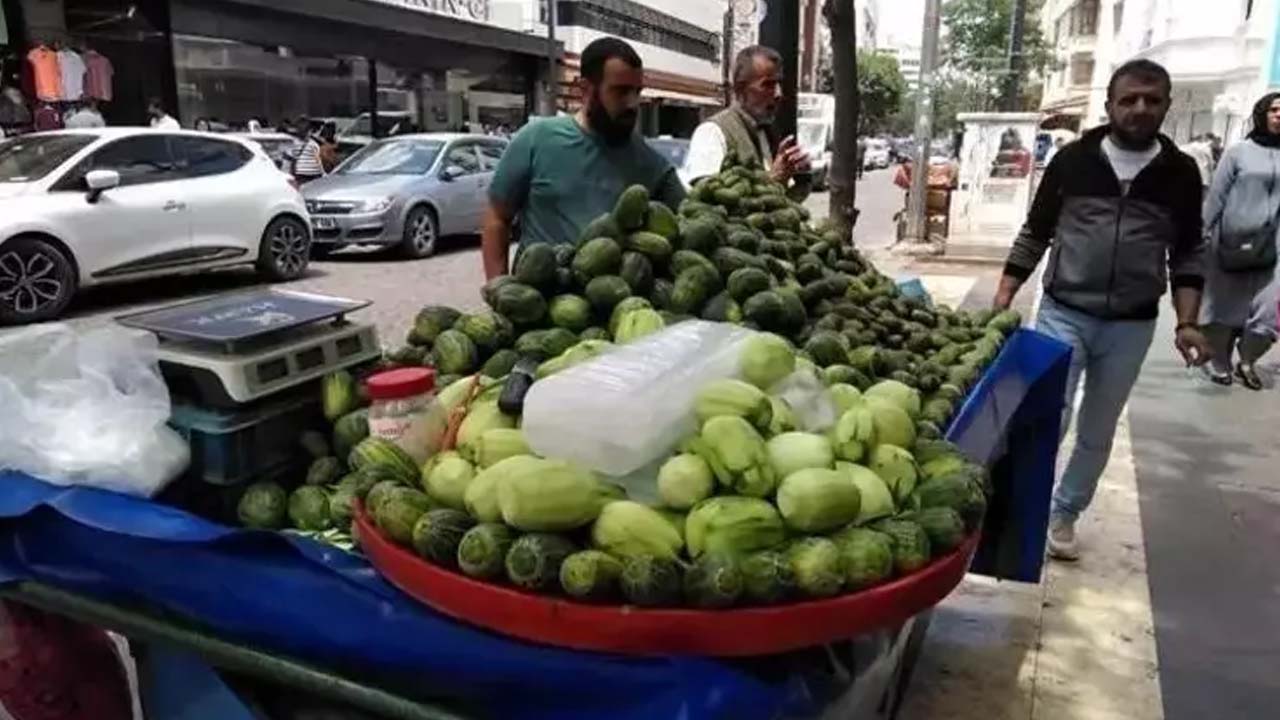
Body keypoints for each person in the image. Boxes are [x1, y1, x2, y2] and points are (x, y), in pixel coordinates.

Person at [993, 59, 1212, 561]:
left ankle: (1064, 513)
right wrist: (1004, 297)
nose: (1139, 108)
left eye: (1151, 100)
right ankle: (1023, 509)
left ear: (1166, 105)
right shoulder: (1073, 161)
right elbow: (1036, 232)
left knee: (1098, 427)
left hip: (1131, 324)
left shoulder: (1180, 172)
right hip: (1064, 309)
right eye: (1129, 99)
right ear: (1109, 104)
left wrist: (1188, 322)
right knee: (1050, 413)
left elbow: (1187, 253)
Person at [481, 37, 685, 279]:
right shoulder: (536, 140)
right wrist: (499, 290)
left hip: (611, 305)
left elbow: (690, 220)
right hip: (538, 303)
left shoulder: (650, 162)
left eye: (637, 91)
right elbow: (497, 218)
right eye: (620, 91)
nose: (632, 103)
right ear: (585, 89)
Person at [1198, 93, 1280, 389]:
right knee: (1223, 307)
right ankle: (1219, 360)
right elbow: (1217, 196)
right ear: (1262, 114)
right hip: (1230, 242)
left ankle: (1247, 360)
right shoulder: (1238, 153)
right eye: (1274, 110)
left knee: (1269, 311)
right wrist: (1202, 235)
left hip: (1274, 247)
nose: (1279, 115)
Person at [685, 46, 810, 200]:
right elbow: (706, 201)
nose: (778, 94)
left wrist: (802, 177)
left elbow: (780, 203)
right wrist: (772, 179)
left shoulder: (769, 133)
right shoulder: (713, 132)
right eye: (768, 85)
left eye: (778, 84)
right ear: (740, 89)